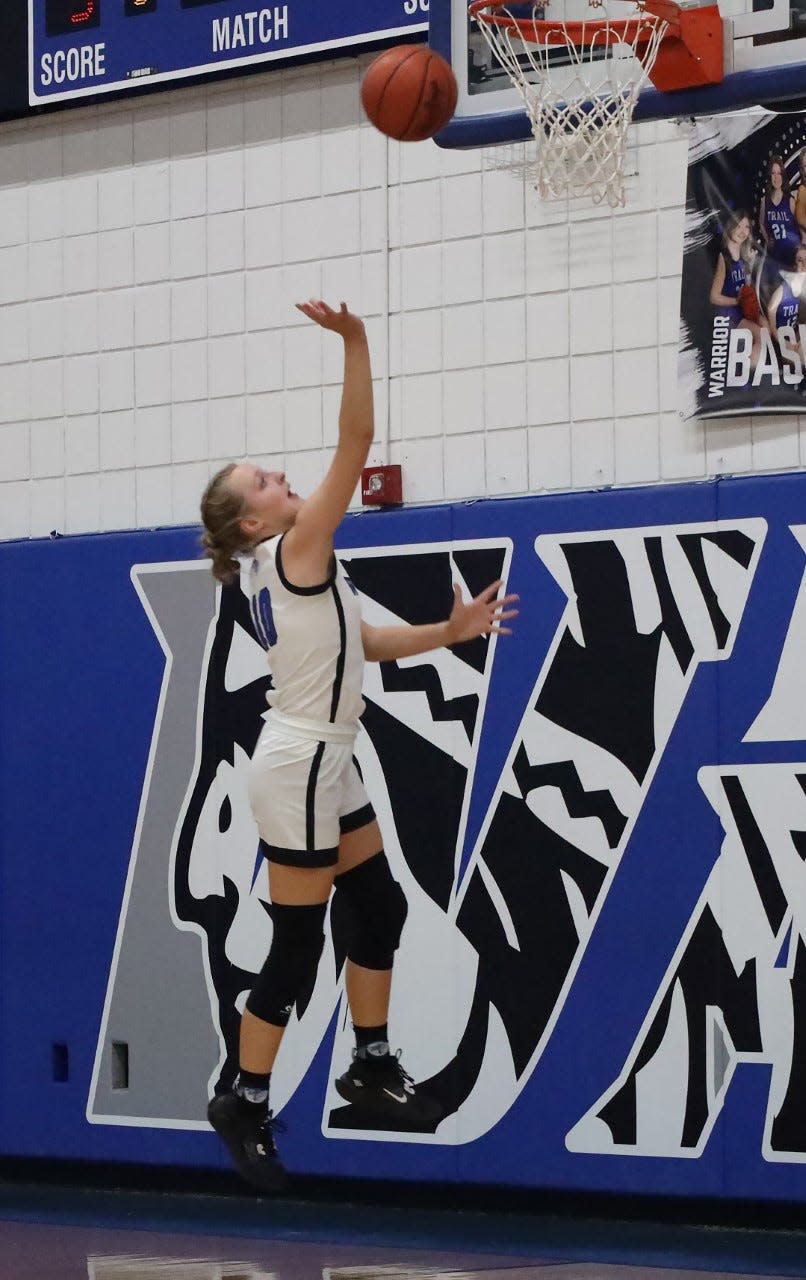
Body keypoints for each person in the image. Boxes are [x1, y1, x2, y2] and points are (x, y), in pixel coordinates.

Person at [199, 299, 518, 1193]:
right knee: (297, 946)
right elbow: (358, 439)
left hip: (323, 758)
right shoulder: (298, 546)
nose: (281, 477)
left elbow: (362, 645)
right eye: (262, 479)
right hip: (300, 764)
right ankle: (246, 1097)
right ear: (255, 524)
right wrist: (356, 341)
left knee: (377, 905)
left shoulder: (289, 569)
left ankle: (370, 1061)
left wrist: (449, 630)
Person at [709, 211, 766, 367]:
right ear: (731, 227)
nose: (742, 231)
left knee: (765, 326)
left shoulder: (742, 255)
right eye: (739, 225)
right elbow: (714, 296)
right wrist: (737, 300)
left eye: (746, 227)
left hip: (741, 309)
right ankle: (745, 374)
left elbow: (743, 285)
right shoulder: (724, 257)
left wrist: (752, 265)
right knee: (761, 334)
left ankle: (749, 369)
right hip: (728, 314)